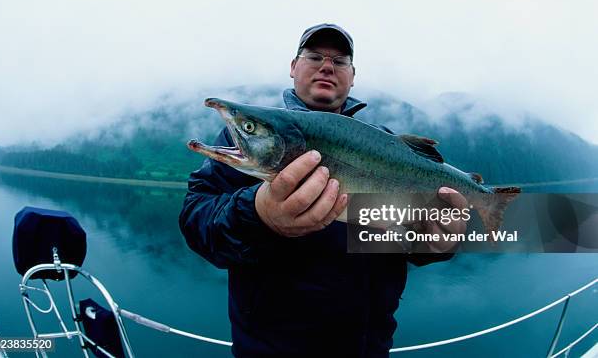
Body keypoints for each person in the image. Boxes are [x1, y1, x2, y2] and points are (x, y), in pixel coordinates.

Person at [179, 23, 468, 358]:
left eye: (340, 61)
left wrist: (435, 245)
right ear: (293, 67)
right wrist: (258, 215)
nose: (327, 66)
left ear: (353, 75)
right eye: (314, 56)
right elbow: (195, 221)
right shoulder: (244, 143)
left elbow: (403, 238)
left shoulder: (388, 145)